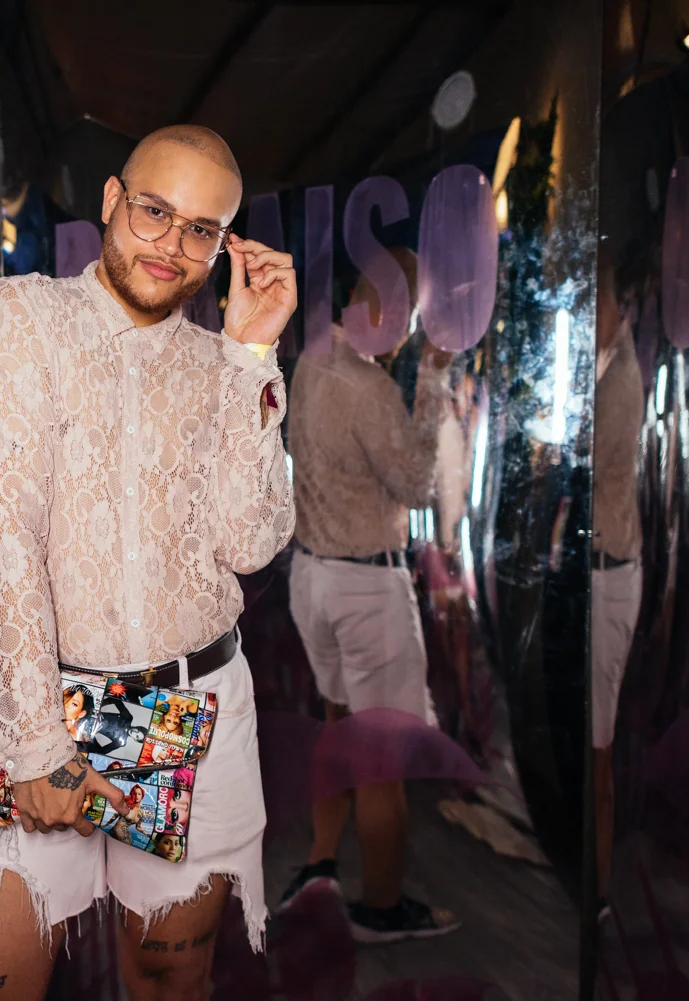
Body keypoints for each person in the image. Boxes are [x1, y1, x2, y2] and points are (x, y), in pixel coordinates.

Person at [0, 125, 296, 1001]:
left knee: (169, 982)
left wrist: (252, 354)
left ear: (224, 245)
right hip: (44, 706)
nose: (171, 244)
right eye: (154, 211)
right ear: (111, 201)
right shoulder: (26, 315)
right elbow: (3, 540)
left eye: (201, 229)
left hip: (189, 705)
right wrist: (39, 749)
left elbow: (251, 540)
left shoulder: (221, 363)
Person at [279, 247, 460, 942]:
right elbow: (416, 484)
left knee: (337, 727)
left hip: (311, 577)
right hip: (365, 587)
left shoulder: (310, 361)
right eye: (414, 319)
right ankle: (382, 909)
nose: (413, 337)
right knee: (382, 760)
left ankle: (319, 865)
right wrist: (433, 380)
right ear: (393, 311)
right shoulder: (368, 386)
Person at [591, 249, 644, 922]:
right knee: (592, 742)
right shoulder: (609, 367)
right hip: (603, 568)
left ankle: (600, 892)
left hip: (609, 571)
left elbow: (588, 464)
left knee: (599, 747)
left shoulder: (620, 378)